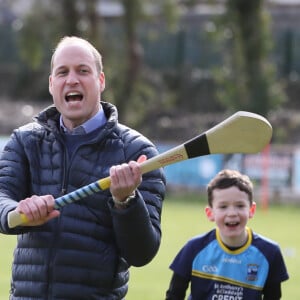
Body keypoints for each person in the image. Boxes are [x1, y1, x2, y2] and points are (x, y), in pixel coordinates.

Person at [0, 36, 166, 299]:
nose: (72, 79)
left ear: (101, 81)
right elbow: (1, 197)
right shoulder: (24, 140)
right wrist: (16, 210)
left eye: (83, 70)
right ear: (52, 84)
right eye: (62, 72)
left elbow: (142, 252)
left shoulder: (136, 152)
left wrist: (126, 202)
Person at [165, 169, 289, 300]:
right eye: (223, 207)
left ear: (251, 210)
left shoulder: (270, 253)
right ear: (210, 213)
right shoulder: (194, 248)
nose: (232, 213)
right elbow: (174, 295)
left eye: (240, 206)